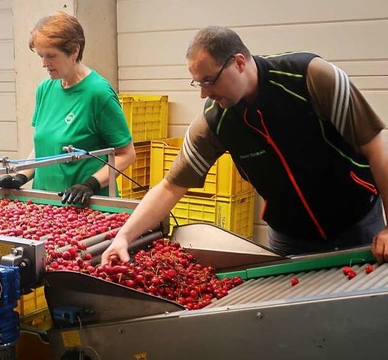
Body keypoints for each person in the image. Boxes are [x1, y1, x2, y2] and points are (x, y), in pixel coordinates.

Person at [102, 26, 388, 264]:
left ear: (239, 62)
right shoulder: (216, 122)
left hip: (357, 223)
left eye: (209, 81)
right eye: (197, 83)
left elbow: (377, 144)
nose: (204, 94)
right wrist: (124, 237)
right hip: (290, 238)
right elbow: (170, 186)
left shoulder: (310, 78)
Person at [0, 11, 136, 205]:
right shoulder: (45, 89)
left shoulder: (98, 93)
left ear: (74, 50)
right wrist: (20, 177)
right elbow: (43, 146)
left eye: (51, 56)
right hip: (44, 202)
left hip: (86, 207)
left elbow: (126, 154)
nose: (44, 64)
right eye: (40, 55)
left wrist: (90, 184)